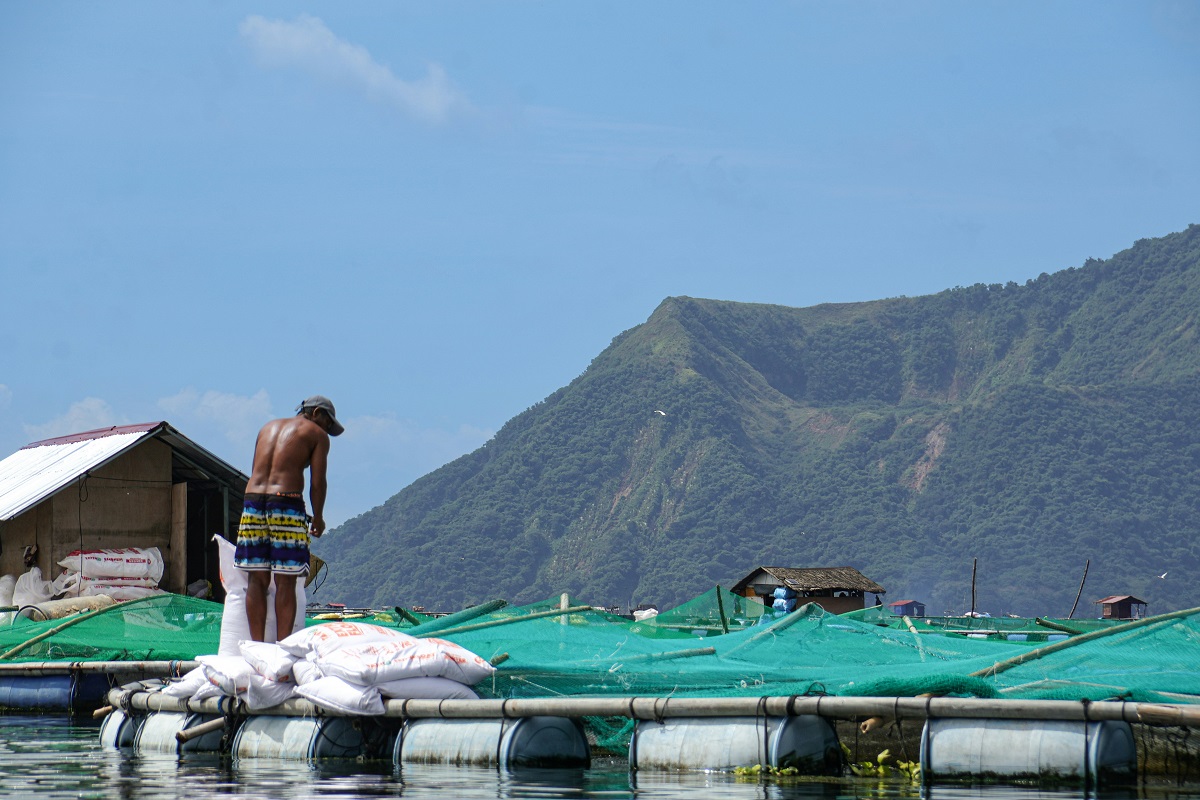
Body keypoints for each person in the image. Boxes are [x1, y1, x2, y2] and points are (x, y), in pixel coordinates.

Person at [234, 395, 344, 642]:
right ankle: (282, 649)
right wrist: (318, 517)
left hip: (252, 501)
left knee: (256, 578)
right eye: (327, 422)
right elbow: (318, 482)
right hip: (286, 502)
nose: (326, 429)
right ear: (316, 412)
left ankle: (256, 646)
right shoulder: (317, 434)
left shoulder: (267, 428)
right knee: (285, 580)